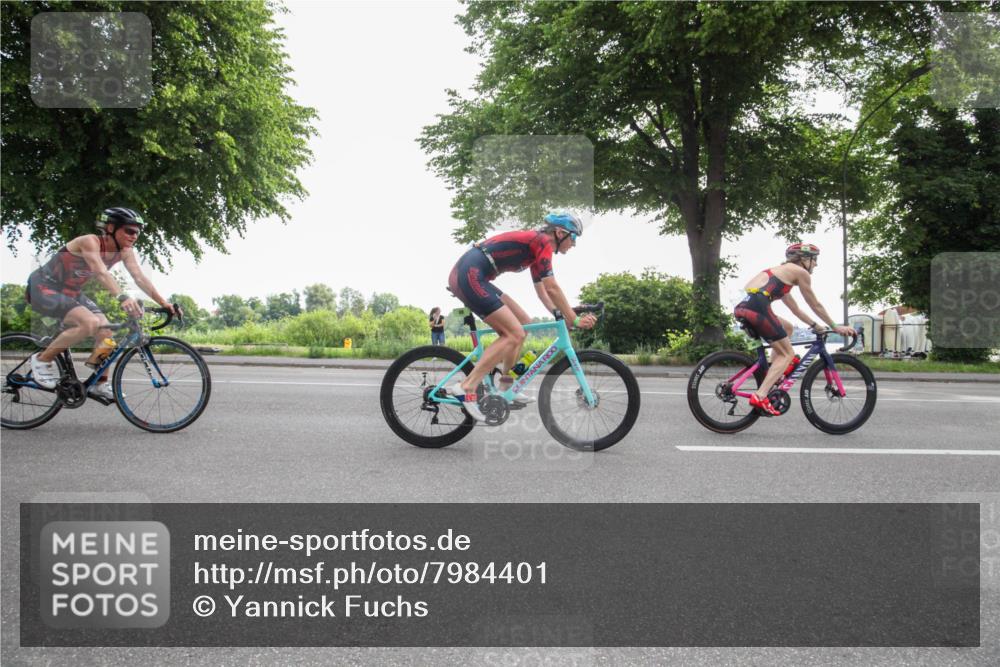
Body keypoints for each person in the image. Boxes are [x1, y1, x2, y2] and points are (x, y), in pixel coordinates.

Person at [446, 210, 597, 421]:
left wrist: (560, 315)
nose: (573, 244)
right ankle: (466, 386)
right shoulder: (542, 241)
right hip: (469, 274)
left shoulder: (539, 249)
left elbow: (543, 291)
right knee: (513, 333)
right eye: (573, 238)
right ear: (561, 233)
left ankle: (505, 387)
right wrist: (574, 318)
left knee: (524, 325)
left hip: (475, 275)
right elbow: (552, 287)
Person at [26, 207, 179, 401]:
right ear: (110, 228)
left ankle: (98, 384)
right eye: (130, 231)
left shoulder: (125, 251)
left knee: (106, 332)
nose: (135, 236)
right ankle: (41, 360)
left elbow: (139, 278)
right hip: (44, 286)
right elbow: (100, 273)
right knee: (89, 323)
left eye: (138, 232)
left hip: (71, 292)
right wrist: (122, 297)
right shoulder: (89, 242)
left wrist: (164, 303)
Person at [733, 242, 855, 416]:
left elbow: (795, 309)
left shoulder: (780, 274)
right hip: (758, 307)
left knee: (788, 328)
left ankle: (775, 371)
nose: (816, 264)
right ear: (804, 258)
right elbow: (815, 304)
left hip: (742, 307)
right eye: (814, 260)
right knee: (787, 354)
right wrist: (835, 327)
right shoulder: (800, 272)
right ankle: (760, 395)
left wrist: (816, 326)